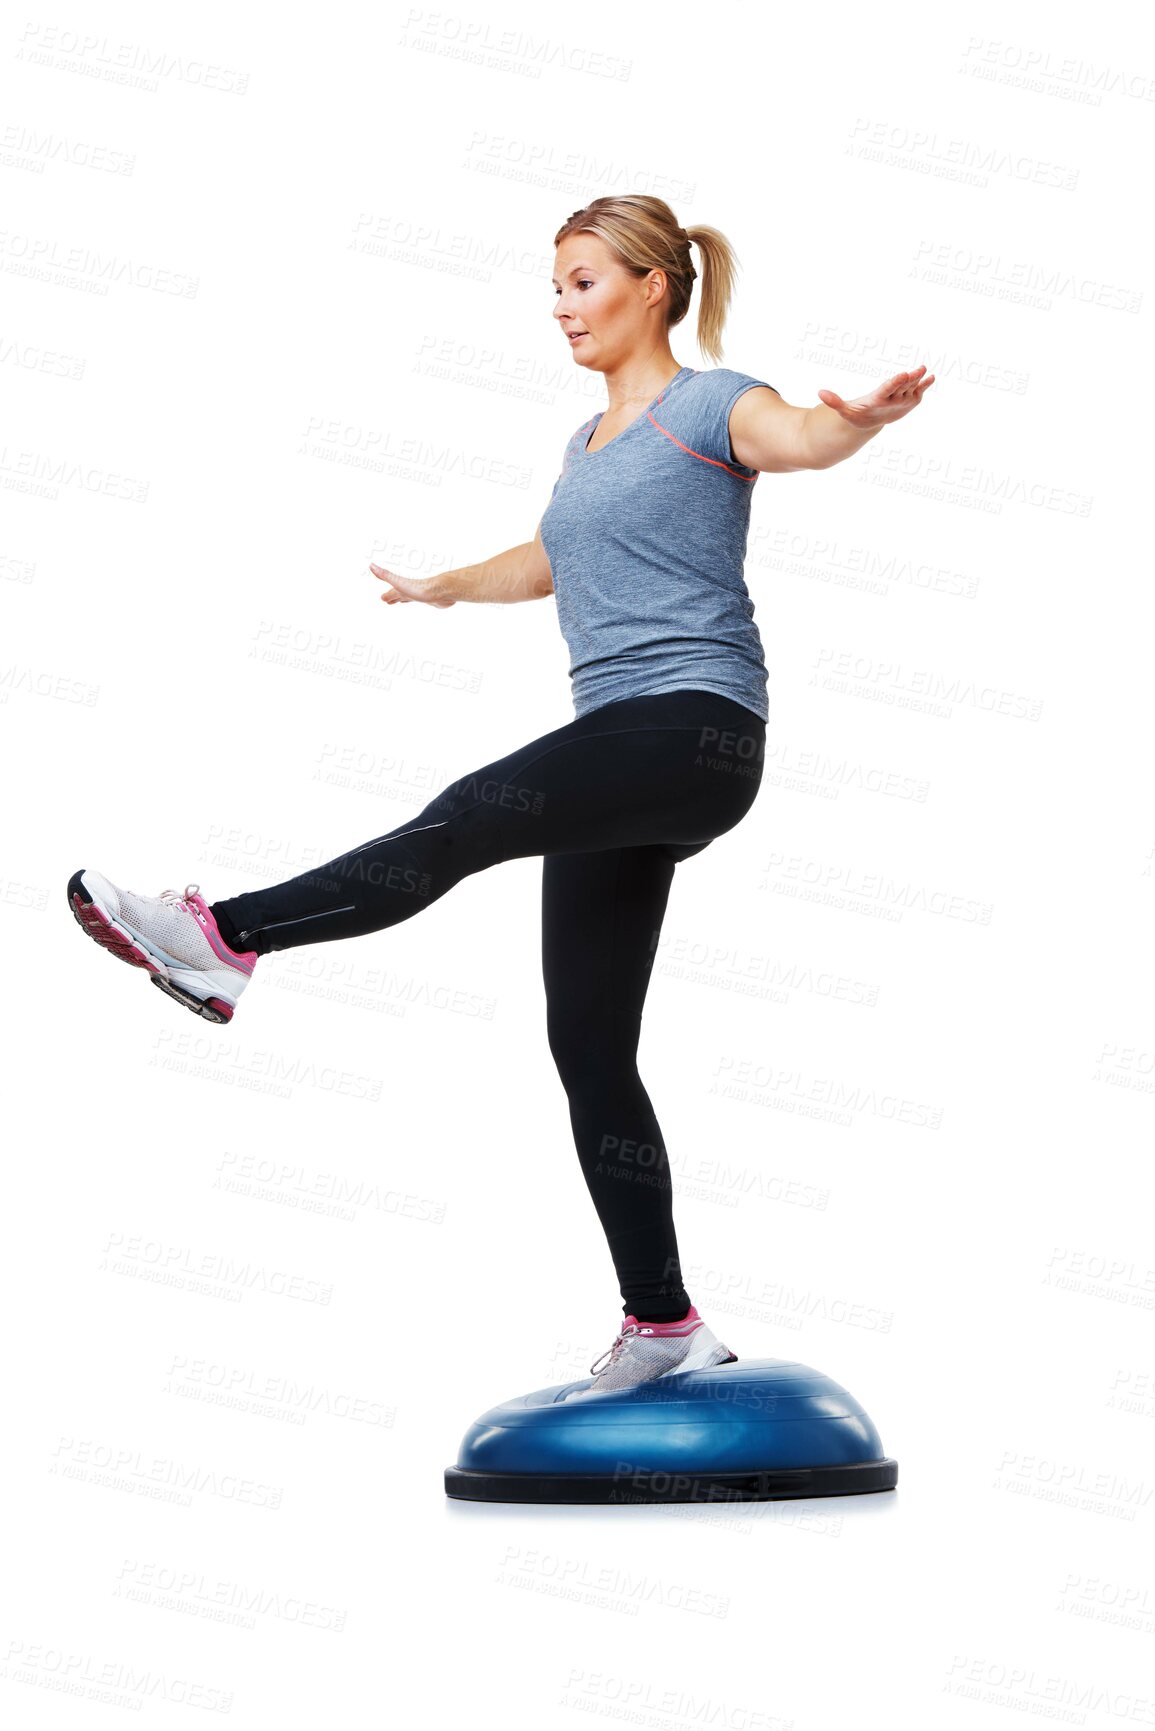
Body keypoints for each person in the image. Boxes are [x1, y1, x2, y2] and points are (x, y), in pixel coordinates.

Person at [66, 194, 934, 1395]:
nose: (562, 304)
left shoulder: (711, 402)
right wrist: (447, 588)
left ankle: (224, 937)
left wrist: (861, 427)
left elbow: (799, 439)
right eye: (558, 283)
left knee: (467, 814)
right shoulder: (584, 447)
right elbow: (548, 557)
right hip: (623, 753)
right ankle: (665, 1322)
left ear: (653, 289)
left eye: (584, 281)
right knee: (588, 1044)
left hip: (694, 730)